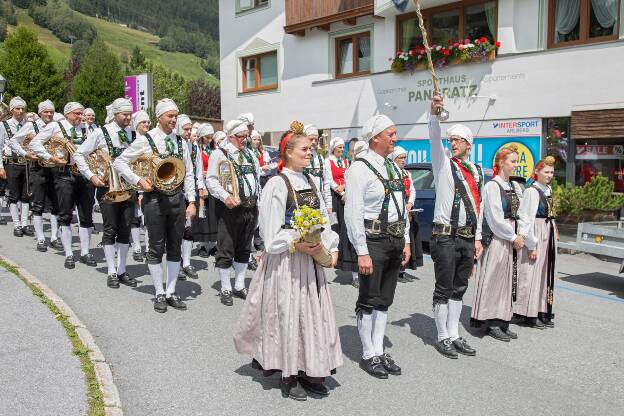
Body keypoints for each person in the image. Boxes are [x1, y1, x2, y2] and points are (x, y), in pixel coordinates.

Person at [234, 121, 342, 401]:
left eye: (311, 148)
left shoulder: (309, 182)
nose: (310, 152)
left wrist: (330, 245)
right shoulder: (276, 184)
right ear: (289, 152)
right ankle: (288, 374)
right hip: (287, 263)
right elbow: (270, 236)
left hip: (310, 261)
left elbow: (323, 221)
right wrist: (297, 240)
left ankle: (308, 369)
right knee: (288, 315)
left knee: (310, 317)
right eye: (305, 149)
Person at [113, 98, 197, 313]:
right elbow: (120, 162)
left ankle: (171, 291)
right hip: (155, 199)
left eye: (176, 116)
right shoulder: (145, 139)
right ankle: (158, 292)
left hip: (177, 198)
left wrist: (193, 201)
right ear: (159, 117)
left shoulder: (181, 142)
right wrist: (139, 181)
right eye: (170, 116)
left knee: (175, 246)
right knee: (156, 246)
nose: (174, 119)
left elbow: (188, 173)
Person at [345, 114, 411, 379]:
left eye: (395, 134)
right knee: (369, 298)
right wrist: (361, 251)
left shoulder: (392, 167)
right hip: (372, 241)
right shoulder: (359, 169)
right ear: (375, 138)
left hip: (394, 240)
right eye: (390, 134)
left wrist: (405, 241)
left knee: (385, 300)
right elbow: (353, 213)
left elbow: (401, 209)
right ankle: (368, 354)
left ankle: (379, 349)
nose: (395, 138)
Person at [428, 95, 483, 359]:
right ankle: (442, 337)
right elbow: (434, 138)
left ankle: (454, 334)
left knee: (460, 287)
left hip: (466, 237)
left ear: (469, 144)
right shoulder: (443, 164)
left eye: (458, 140)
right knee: (444, 286)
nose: (453, 143)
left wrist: (478, 239)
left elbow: (479, 209)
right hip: (445, 236)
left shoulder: (476, 170)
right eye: (451, 140)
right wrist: (434, 116)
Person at [74, 98, 137, 289]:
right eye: (124, 114)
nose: (128, 117)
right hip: (107, 186)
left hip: (128, 186)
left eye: (129, 114)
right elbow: (79, 154)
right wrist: (91, 176)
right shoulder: (100, 132)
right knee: (110, 228)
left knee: (126, 228)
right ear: (115, 114)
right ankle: (111, 271)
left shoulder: (132, 133)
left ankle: (122, 269)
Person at [30, 102, 96, 269]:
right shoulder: (55, 126)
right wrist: (51, 158)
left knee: (86, 215)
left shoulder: (88, 129)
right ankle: (68, 254)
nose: (80, 117)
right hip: (64, 174)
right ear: (67, 114)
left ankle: (85, 252)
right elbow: (35, 144)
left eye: (82, 114)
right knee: (65, 215)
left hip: (85, 174)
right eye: (77, 114)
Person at [472, 144, 524, 341]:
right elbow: (495, 218)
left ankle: (503, 319)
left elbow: (521, 213)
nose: (515, 165)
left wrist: (522, 234)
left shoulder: (513, 186)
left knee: (507, 281)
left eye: (516, 161)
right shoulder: (492, 186)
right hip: (499, 239)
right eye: (512, 161)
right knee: (494, 280)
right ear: (501, 162)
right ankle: (491, 320)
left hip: (511, 237)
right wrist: (513, 237)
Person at [206, 118, 260, 306]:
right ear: (230, 137)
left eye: (246, 136)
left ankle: (239, 285)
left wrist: (258, 204)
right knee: (226, 247)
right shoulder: (219, 153)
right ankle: (226, 287)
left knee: (245, 247)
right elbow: (211, 180)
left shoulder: (250, 155)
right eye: (240, 136)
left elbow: (257, 179)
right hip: (230, 208)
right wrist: (225, 196)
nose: (244, 139)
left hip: (250, 207)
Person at [515, 156, 557, 328]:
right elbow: (526, 219)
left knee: (544, 274)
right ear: (537, 172)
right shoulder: (532, 192)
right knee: (531, 274)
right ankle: (528, 313)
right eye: (546, 172)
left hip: (547, 233)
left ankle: (541, 309)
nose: (549, 175)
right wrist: (532, 245)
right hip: (537, 233)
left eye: (552, 172)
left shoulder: (548, 189)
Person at [9, 100, 58, 251]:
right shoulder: (32, 125)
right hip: (37, 168)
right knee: (38, 204)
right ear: (40, 113)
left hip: (55, 168)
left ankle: (55, 237)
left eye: (51, 111)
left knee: (55, 204)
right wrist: (26, 154)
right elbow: (13, 141)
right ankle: (41, 238)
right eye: (46, 112)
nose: (49, 114)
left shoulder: (56, 126)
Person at [177, 114, 206, 280]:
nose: (189, 132)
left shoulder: (194, 147)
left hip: (190, 189)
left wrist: (200, 190)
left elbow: (198, 170)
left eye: (190, 129)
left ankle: (186, 262)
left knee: (189, 227)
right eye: (186, 129)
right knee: (177, 228)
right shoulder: (173, 144)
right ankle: (177, 261)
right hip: (176, 189)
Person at [327, 137, 359, 287]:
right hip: (335, 196)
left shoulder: (346, 162)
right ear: (333, 148)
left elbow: (348, 177)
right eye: (338, 148)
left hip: (346, 194)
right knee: (336, 227)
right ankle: (334, 255)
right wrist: (338, 190)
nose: (341, 150)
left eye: (342, 148)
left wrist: (345, 187)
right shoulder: (329, 161)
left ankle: (349, 263)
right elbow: (328, 179)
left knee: (348, 227)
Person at [389, 146, 423, 283]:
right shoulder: (391, 173)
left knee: (409, 241)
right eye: (400, 158)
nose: (403, 160)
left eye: (404, 158)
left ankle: (403, 270)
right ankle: (395, 271)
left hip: (407, 210)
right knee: (399, 241)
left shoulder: (407, 173)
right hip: (397, 212)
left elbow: (412, 190)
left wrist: (410, 204)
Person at [1, 96, 32, 237]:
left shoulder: (30, 124)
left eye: (23, 109)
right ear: (12, 110)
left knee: (26, 195)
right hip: (12, 163)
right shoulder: (4, 125)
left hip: (27, 163)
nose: (20, 111)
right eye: (17, 108)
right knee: (14, 195)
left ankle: (25, 223)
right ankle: (17, 224)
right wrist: (0, 167)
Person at [193, 123, 218, 258]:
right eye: (207, 137)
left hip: (213, 183)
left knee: (213, 214)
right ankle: (202, 245)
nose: (209, 140)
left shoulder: (214, 150)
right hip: (201, 183)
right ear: (201, 137)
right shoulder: (196, 149)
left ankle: (213, 244)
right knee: (202, 213)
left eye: (211, 137)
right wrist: (202, 173)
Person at [129, 110, 150, 261]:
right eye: (143, 122)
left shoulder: (151, 139)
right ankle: (137, 247)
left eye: (148, 122)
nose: (146, 124)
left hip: (148, 180)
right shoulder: (131, 140)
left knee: (148, 216)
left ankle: (149, 248)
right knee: (135, 216)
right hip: (135, 180)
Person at [303, 124, 332, 213]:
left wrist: (329, 205)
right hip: (304, 204)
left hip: (321, 203)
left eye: (316, 139)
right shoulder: (299, 157)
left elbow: (326, 182)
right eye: (311, 139)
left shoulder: (320, 158)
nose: (314, 142)